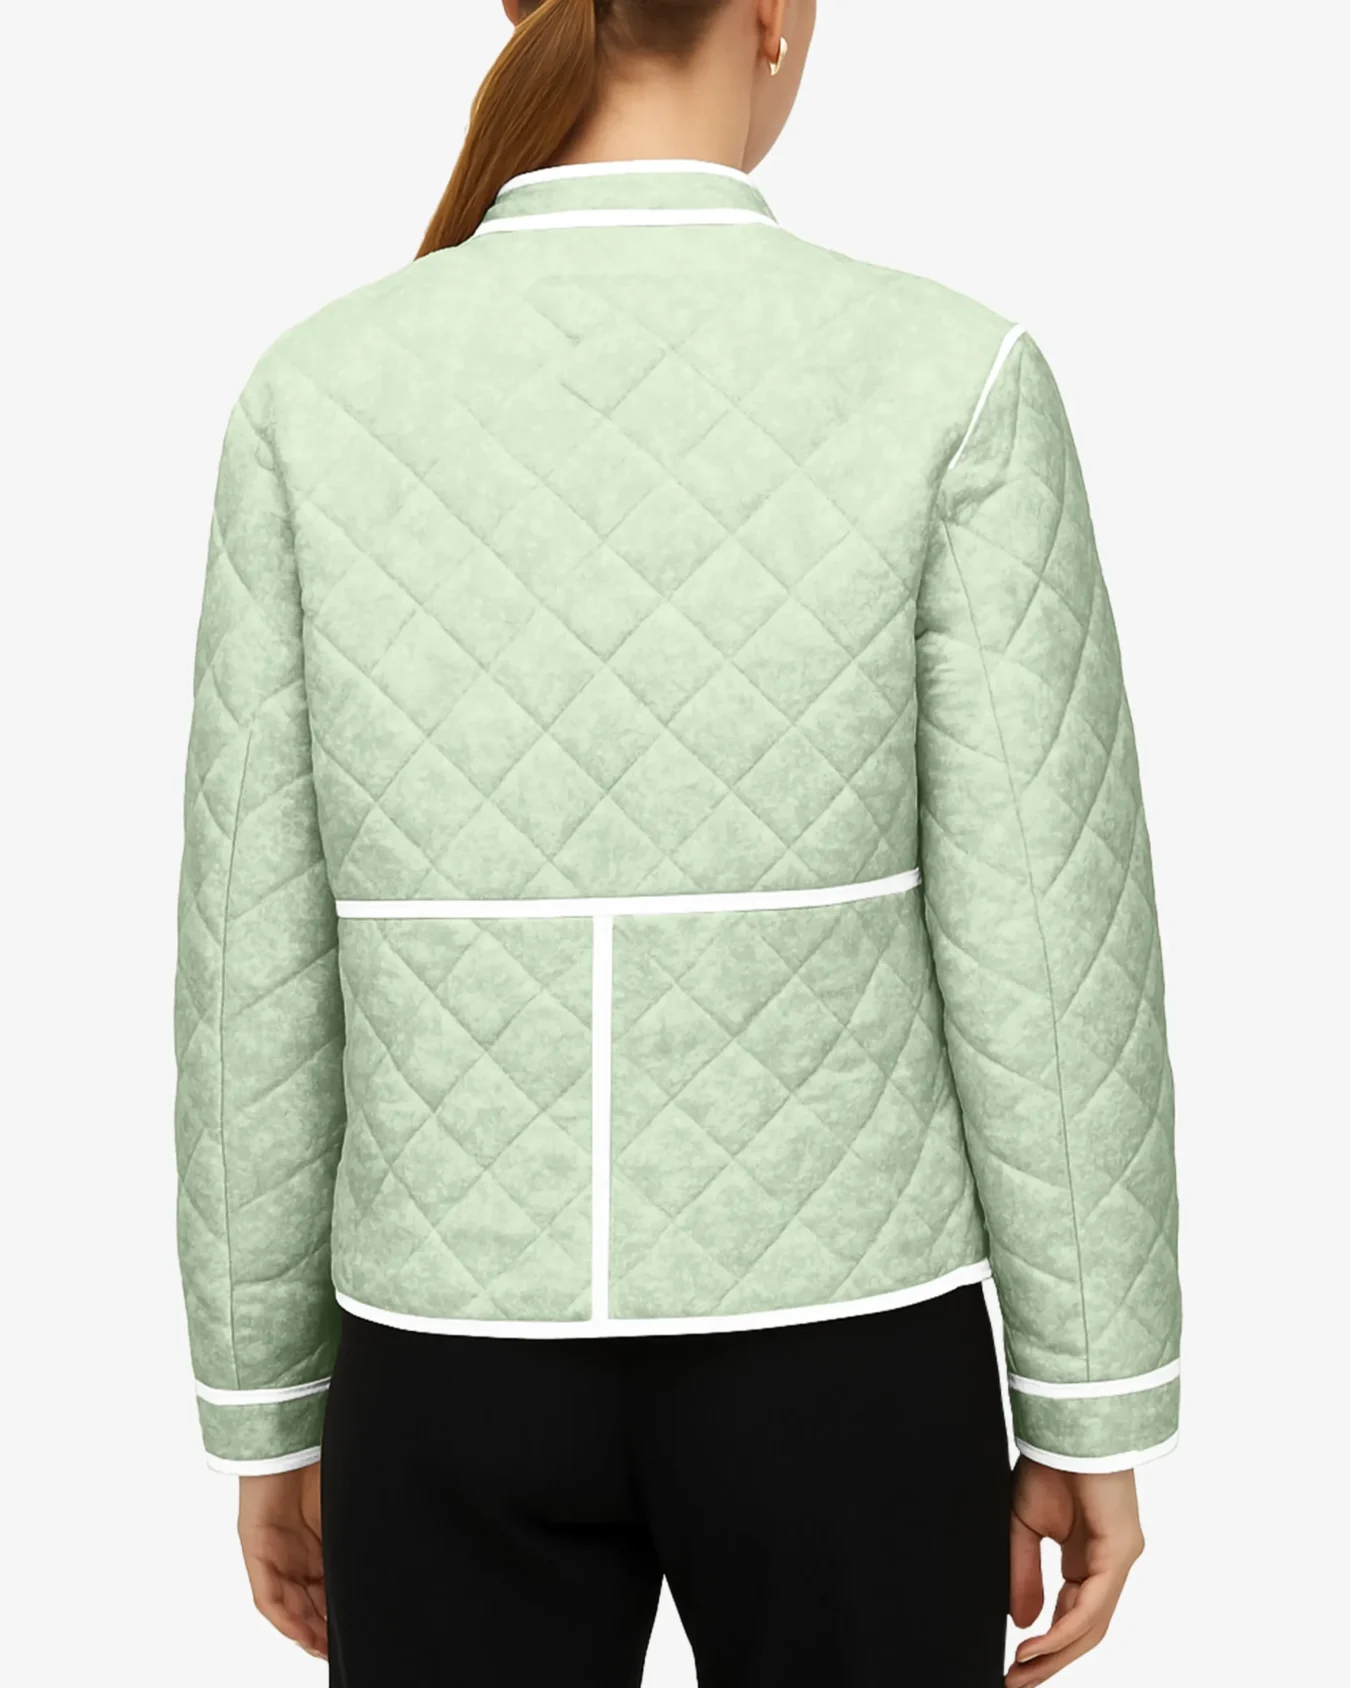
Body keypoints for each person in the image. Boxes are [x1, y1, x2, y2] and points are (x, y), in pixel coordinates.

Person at [172, 3, 1181, 1684]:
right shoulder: (949, 377)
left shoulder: (314, 392)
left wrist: (265, 1404)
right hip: (849, 1357)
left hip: (444, 1363)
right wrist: (1092, 1396)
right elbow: (1050, 938)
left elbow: (247, 952)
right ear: (772, 18)